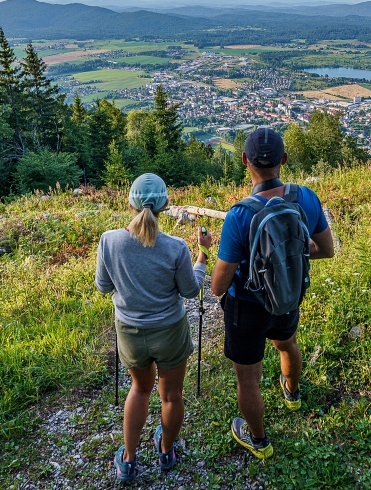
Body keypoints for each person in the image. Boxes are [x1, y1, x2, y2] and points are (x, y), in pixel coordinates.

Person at [211, 127, 335, 459]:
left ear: (244, 161)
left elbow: (218, 286)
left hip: (248, 307)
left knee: (248, 380)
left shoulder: (240, 214)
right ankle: (292, 394)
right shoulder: (305, 197)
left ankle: (260, 442)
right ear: (283, 160)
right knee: (287, 343)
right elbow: (327, 250)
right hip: (288, 296)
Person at [96, 173, 211, 482]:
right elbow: (190, 290)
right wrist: (202, 256)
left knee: (140, 388)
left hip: (131, 332)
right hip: (170, 330)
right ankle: (166, 450)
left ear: (130, 203)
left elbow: (103, 286)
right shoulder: (174, 247)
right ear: (166, 204)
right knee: (171, 395)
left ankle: (129, 459)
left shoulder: (109, 241)